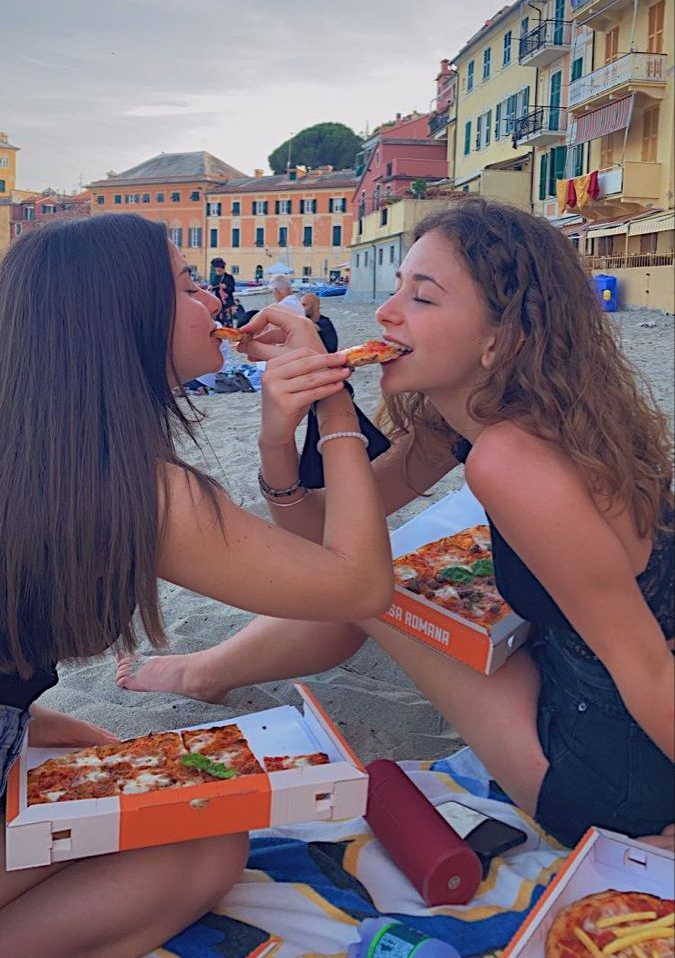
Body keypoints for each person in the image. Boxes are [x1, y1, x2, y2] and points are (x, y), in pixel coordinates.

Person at [118, 198, 674, 852]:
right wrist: (280, 439)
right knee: (368, 577)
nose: (385, 312)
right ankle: (208, 670)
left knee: (370, 587)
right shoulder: (473, 415)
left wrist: (331, 415)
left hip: (609, 774)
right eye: (399, 286)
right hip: (573, 679)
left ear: (501, 339)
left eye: (423, 297)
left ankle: (205, 671)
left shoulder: (511, 458)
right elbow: (325, 536)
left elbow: (646, 669)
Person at [0, 214, 394, 958]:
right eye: (187, 287)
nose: (215, 304)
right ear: (125, 320)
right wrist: (332, 401)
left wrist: (44, 722)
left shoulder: (35, 449)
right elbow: (359, 585)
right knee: (205, 835)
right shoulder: (134, 490)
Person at [210, 258, 235, 325]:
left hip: (227, 303)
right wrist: (211, 287)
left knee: (227, 321)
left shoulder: (229, 277)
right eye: (217, 271)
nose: (218, 272)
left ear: (223, 269)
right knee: (218, 321)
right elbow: (214, 286)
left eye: (219, 271)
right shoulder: (216, 277)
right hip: (219, 303)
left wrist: (226, 287)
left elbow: (232, 289)